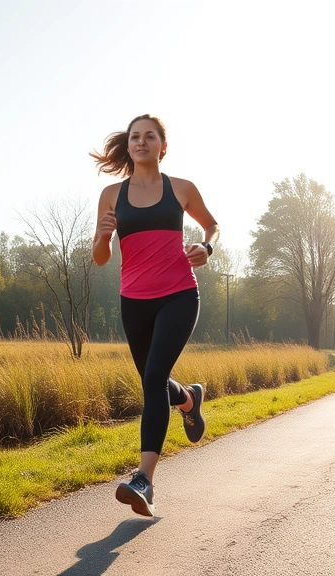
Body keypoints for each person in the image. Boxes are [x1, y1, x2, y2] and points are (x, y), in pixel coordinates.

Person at [90, 114, 219, 517]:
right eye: (135, 137)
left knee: (151, 379)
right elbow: (100, 259)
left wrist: (207, 247)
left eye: (150, 136)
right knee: (155, 380)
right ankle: (189, 398)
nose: (141, 142)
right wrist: (101, 236)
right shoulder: (111, 195)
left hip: (179, 294)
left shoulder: (180, 189)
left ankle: (144, 478)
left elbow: (212, 226)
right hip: (134, 300)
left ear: (163, 146)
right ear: (128, 146)